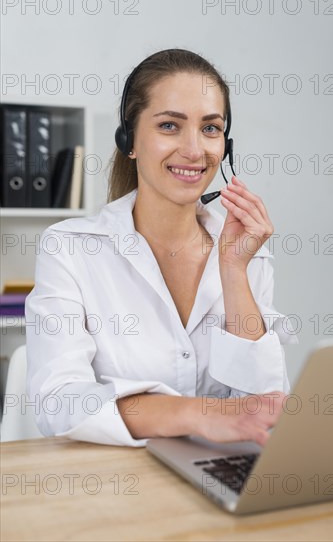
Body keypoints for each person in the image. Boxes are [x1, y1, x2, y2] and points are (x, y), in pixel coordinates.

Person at [25, 48, 297, 448]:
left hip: (216, 473)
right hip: (112, 483)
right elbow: (59, 403)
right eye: (170, 126)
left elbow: (262, 409)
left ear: (226, 144)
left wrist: (234, 271)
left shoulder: (243, 248)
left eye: (210, 128)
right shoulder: (70, 248)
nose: (194, 150)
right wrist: (199, 414)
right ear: (129, 140)